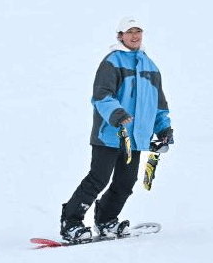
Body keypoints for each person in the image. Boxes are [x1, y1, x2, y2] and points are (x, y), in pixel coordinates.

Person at [59, 17, 172, 242]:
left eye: (138, 31)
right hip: (110, 134)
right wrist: (117, 114)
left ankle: (107, 218)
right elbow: (101, 96)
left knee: (126, 182)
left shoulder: (151, 67)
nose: (134, 36)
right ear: (120, 36)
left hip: (136, 138)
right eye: (129, 32)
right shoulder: (112, 62)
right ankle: (71, 222)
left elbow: (158, 105)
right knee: (98, 179)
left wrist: (164, 129)